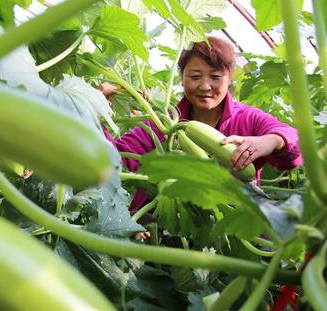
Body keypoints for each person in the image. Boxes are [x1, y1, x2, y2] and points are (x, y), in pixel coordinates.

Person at [102, 37, 303, 239]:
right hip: (163, 233)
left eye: (215, 77)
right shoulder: (162, 125)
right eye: (195, 76)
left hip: (235, 234)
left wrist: (270, 141)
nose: (205, 86)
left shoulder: (248, 118)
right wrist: (99, 111)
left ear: (229, 79)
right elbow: (111, 158)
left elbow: (295, 146)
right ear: (182, 78)